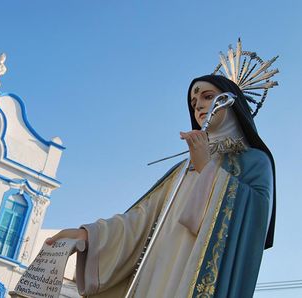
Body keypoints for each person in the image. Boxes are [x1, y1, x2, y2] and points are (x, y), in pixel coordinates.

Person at [46, 75, 276, 297]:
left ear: (230, 101)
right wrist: (89, 235)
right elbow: (143, 220)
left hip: (193, 273)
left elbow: (253, 221)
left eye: (208, 96)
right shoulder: (183, 168)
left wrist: (207, 167)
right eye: (194, 103)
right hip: (156, 272)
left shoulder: (252, 160)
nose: (199, 107)